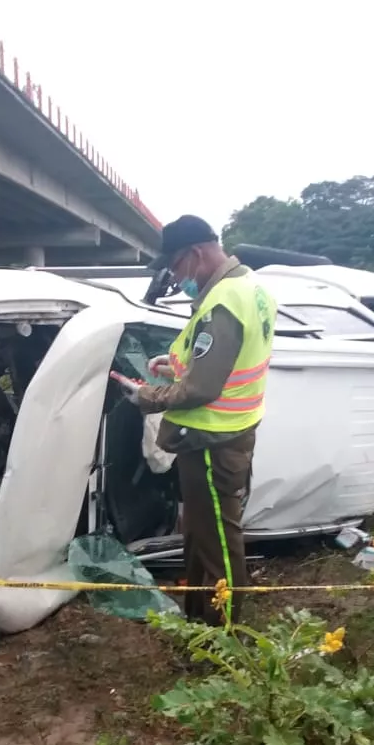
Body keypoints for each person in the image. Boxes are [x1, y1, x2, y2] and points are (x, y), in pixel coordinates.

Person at [115, 215, 276, 626]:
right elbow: (226, 363)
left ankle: (226, 636)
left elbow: (204, 389)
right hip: (228, 432)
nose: (175, 277)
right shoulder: (251, 288)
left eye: (175, 267)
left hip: (211, 439)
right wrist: (175, 367)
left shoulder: (223, 302)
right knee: (201, 537)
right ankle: (200, 622)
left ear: (196, 254)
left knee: (219, 544)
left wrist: (146, 395)